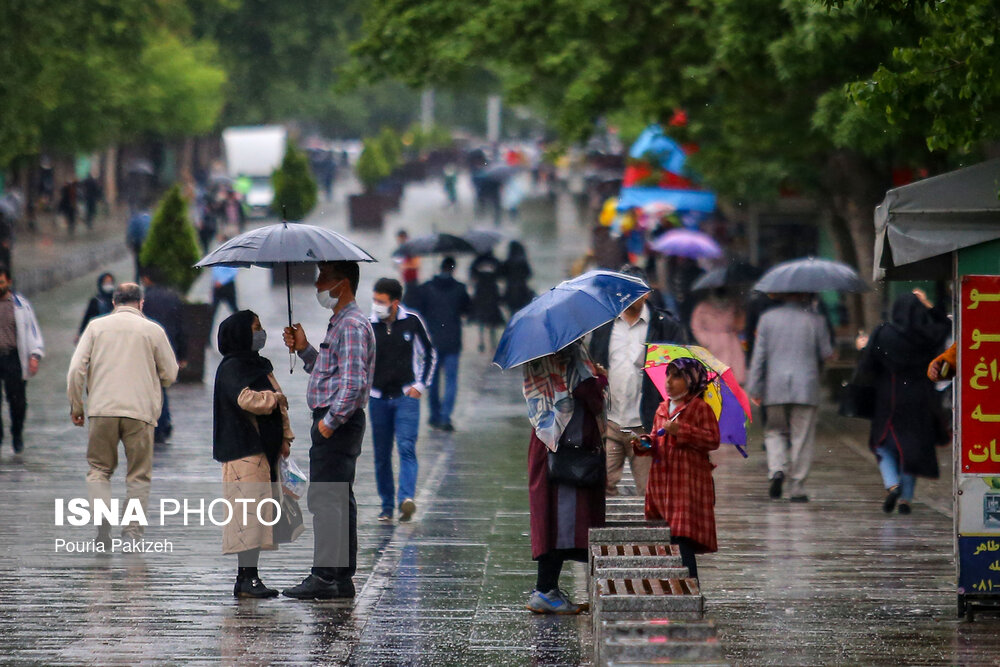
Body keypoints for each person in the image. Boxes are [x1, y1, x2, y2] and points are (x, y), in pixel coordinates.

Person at [281, 261, 375, 600]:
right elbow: (329, 372)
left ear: (343, 283)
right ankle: (340, 577)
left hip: (338, 423)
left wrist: (328, 423)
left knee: (327, 498)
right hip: (338, 422)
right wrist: (305, 349)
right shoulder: (341, 323)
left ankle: (325, 576)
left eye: (325, 278)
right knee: (337, 496)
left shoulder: (350, 325)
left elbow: (352, 383)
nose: (319, 284)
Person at [67, 283, 178, 546]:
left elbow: (75, 370)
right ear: (140, 303)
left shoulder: (95, 327)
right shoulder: (153, 330)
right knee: (138, 476)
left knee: (99, 470)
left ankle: (102, 525)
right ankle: (132, 532)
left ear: (115, 303)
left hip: (102, 409)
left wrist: (77, 406)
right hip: (139, 412)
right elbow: (170, 374)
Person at [213, 311, 294, 598]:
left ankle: (251, 577)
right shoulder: (233, 368)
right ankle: (246, 579)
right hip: (242, 451)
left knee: (258, 516)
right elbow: (247, 399)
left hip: (263, 450)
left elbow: (277, 399)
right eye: (255, 328)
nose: (261, 333)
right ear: (240, 334)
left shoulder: (257, 364)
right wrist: (274, 400)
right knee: (246, 516)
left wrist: (286, 436)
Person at [523, 341, 607, 614]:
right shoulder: (571, 352)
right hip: (566, 447)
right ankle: (546, 589)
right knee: (562, 519)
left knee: (550, 516)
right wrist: (600, 376)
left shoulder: (536, 352)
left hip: (544, 439)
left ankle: (547, 587)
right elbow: (590, 394)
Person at [589, 265, 687, 497]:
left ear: (647, 293)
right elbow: (593, 364)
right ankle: (603, 532)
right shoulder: (605, 327)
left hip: (646, 425)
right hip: (610, 421)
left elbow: (681, 373)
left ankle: (654, 531)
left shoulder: (665, 326)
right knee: (602, 486)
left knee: (649, 490)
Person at [855, 290, 950, 514]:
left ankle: (893, 485)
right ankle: (906, 499)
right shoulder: (928, 335)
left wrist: (863, 348)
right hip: (920, 398)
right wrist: (928, 305)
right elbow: (945, 325)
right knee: (912, 449)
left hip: (890, 396)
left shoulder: (884, 333)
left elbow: (869, 364)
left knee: (882, 445)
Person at [632, 358, 721, 579]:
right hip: (662, 484)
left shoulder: (700, 408)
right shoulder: (663, 408)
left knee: (682, 536)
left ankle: (690, 585)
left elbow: (712, 439)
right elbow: (655, 438)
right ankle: (672, 584)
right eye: (668, 376)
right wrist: (645, 443)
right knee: (666, 536)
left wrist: (682, 430)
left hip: (687, 484)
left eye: (677, 376)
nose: (669, 382)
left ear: (691, 381)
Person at [747, 293, 834, 502]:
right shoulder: (816, 319)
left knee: (774, 431)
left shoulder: (768, 318)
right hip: (806, 386)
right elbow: (826, 353)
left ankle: (777, 469)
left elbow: (759, 356)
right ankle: (797, 487)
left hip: (774, 386)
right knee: (801, 436)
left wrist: (754, 387)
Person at [368, 278, 437, 523]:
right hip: (377, 398)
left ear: (395, 303)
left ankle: (405, 499)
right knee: (381, 454)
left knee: (406, 447)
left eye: (382, 301)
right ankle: (386, 505)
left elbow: (429, 353)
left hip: (405, 397)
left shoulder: (412, 322)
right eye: (375, 300)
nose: (376, 305)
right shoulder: (369, 326)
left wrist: (420, 385)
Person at [409, 257, 471, 431]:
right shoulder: (460, 289)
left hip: (432, 342)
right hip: (453, 341)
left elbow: (417, 310)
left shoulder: (427, 288)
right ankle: (445, 417)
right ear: (453, 269)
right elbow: (467, 310)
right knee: (451, 380)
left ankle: (434, 415)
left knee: (432, 380)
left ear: (439, 267)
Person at [141, 268, 188, 444]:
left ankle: (157, 423)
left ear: (146, 279)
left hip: (148, 348)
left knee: (151, 386)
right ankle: (164, 421)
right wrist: (183, 353)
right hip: (170, 346)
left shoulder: (143, 300)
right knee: (162, 385)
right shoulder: (172, 297)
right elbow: (181, 325)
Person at [0, 267, 43, 459]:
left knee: (17, 401)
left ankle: (16, 432)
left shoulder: (21, 305)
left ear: (8, 282)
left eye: (1, 282)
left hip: (13, 357)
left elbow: (32, 332)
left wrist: (35, 355)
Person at [690, 288, 747, 385]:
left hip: (731, 342)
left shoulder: (733, 305)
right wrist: (705, 340)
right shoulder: (702, 307)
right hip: (713, 343)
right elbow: (696, 326)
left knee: (735, 373)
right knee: (714, 373)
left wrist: (738, 311)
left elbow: (740, 325)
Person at [469, 249, 505, 352]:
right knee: (492, 319)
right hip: (492, 293)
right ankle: (493, 343)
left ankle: (481, 342)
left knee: (481, 318)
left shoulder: (477, 261)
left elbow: (472, 276)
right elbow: (501, 275)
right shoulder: (495, 261)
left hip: (480, 293)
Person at [76, 272, 116, 341]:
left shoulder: (117, 299)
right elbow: (87, 317)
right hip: (100, 334)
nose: (108, 285)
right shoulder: (95, 301)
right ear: (100, 284)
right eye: (106, 282)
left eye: (110, 282)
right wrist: (79, 334)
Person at [500, 240, 535, 315]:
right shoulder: (523, 261)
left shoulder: (507, 262)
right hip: (523, 290)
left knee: (512, 313)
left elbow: (501, 275)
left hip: (510, 290)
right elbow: (529, 275)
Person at [394, 229, 420, 304]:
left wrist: (403, 265)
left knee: (407, 301)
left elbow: (415, 264)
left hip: (412, 279)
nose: (398, 241)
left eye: (400, 238)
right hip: (406, 279)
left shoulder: (411, 248)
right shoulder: (403, 249)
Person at [126, 208, 151, 283]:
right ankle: (147, 282)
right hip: (148, 245)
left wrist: (130, 244)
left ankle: (137, 283)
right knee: (148, 266)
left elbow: (130, 234)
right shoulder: (149, 218)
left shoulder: (134, 219)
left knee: (138, 267)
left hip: (138, 245)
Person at [211, 264, 239, 329]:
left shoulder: (229, 259)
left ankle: (242, 328)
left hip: (227, 285)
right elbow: (215, 272)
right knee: (212, 311)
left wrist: (221, 281)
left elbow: (233, 272)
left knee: (234, 309)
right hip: (217, 286)